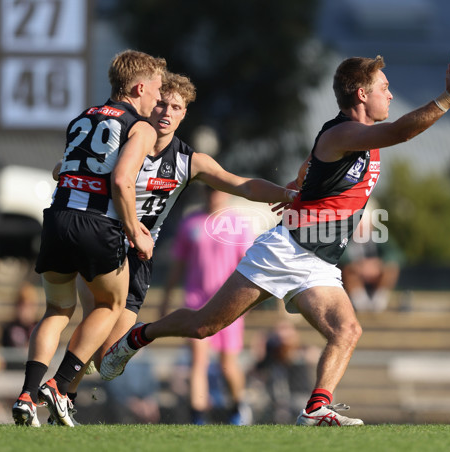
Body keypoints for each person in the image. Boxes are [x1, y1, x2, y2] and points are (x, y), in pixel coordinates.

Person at [100, 54, 450, 426]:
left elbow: (312, 164)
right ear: (362, 95)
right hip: (286, 252)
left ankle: (316, 409)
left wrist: (298, 186)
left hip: (319, 263)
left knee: (347, 330)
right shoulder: (345, 132)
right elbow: (400, 131)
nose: (390, 93)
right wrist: (449, 96)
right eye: (384, 87)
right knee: (204, 327)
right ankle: (137, 336)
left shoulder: (353, 138)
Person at [58, 72, 297, 425]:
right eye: (161, 103)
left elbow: (241, 185)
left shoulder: (189, 161)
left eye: (176, 107)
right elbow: (69, 168)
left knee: (107, 354)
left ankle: (61, 393)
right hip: (105, 245)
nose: (166, 112)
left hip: (139, 259)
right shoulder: (124, 141)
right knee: (95, 328)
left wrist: (287, 194)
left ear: (184, 114)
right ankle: (60, 397)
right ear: (149, 104)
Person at [12, 49, 166, 428]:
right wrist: (135, 233)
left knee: (56, 311)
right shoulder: (141, 126)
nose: (159, 100)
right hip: (97, 225)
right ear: (139, 87)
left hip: (57, 219)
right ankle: (62, 386)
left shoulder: (83, 117)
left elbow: (58, 170)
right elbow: (120, 180)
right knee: (109, 306)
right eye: (158, 90)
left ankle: (27, 395)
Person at [159, 187, 251, 425]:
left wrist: (247, 300)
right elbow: (177, 266)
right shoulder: (191, 223)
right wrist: (165, 300)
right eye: (209, 190)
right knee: (198, 362)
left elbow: (247, 264)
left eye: (218, 191)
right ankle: (197, 415)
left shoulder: (238, 224)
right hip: (196, 302)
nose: (213, 195)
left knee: (227, 365)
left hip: (229, 302)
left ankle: (238, 408)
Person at [339, 205, 402, 312]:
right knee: (348, 271)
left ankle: (378, 303)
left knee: (391, 268)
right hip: (353, 274)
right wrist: (359, 266)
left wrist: (378, 264)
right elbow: (339, 257)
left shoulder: (379, 236)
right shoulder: (344, 237)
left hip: (375, 274)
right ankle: (360, 304)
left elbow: (396, 254)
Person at [1, 282, 39, 349]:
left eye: (29, 305)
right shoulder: (9, 329)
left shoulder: (40, 327)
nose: (25, 309)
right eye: (22, 305)